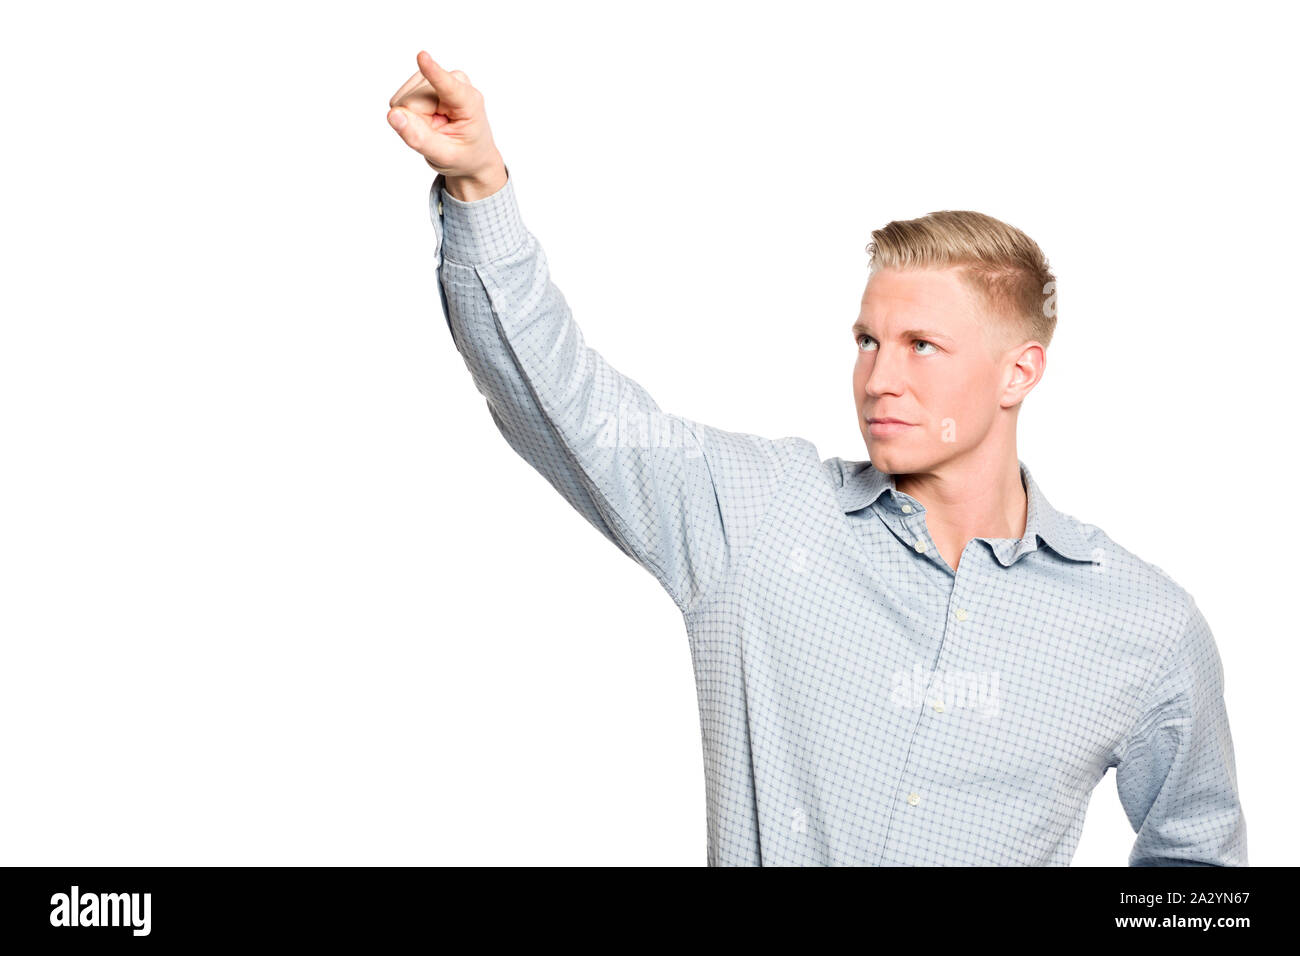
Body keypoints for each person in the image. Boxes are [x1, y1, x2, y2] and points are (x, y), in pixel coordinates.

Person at [386, 51, 1247, 867]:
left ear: (1019, 371)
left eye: (922, 346)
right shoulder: (758, 517)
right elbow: (569, 408)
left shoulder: (1144, 624)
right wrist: (479, 189)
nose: (880, 378)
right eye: (868, 340)